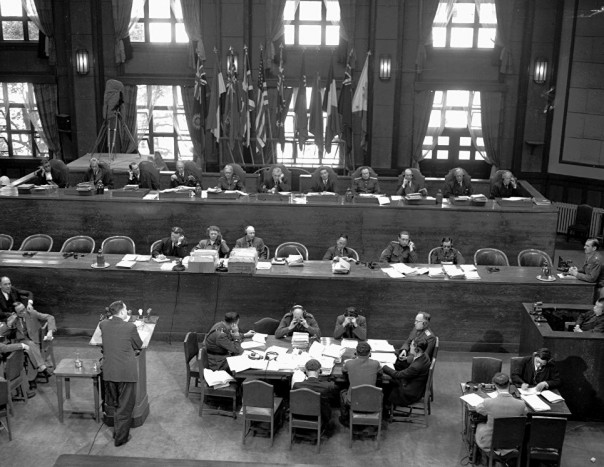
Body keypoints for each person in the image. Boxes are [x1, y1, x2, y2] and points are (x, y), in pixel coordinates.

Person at [99, 300, 143, 447]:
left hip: (109, 372)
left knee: (116, 404)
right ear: (122, 312)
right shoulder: (130, 327)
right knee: (125, 406)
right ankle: (120, 438)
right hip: (125, 373)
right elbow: (138, 344)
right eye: (125, 309)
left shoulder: (103, 324)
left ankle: (117, 431)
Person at [474, 372, 527, 453]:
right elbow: (525, 413)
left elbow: (478, 409)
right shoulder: (521, 404)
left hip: (490, 443)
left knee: (479, 424)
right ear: (509, 383)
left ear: (494, 385)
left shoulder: (488, 402)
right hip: (512, 443)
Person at [339, 342, 382, 426]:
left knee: (342, 392)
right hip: (372, 400)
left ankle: (345, 419)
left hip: (353, 400)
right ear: (370, 353)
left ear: (356, 352)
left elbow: (343, 370)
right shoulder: (376, 363)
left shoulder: (349, 363)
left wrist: (353, 360)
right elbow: (380, 372)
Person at [382, 339, 431, 410]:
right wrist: (406, 358)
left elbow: (397, 375)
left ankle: (386, 408)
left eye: (412, 345)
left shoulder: (416, 366)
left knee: (386, 383)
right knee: (397, 366)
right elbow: (414, 360)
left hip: (409, 393)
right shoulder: (425, 355)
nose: (410, 347)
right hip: (416, 386)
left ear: (417, 349)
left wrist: (383, 366)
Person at [11, 302, 56, 378]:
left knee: (30, 352)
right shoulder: (13, 319)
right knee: (30, 345)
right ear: (15, 313)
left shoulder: (32, 313)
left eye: (24, 309)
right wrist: (11, 322)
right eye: (20, 312)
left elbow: (50, 317)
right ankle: (42, 367)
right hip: (21, 340)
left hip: (35, 340)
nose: (24, 312)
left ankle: (32, 378)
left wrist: (50, 331)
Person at [292, 359, 336, 430]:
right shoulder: (326, 387)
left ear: (306, 371)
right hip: (318, 417)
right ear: (319, 370)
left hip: (299, 415)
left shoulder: (296, 386)